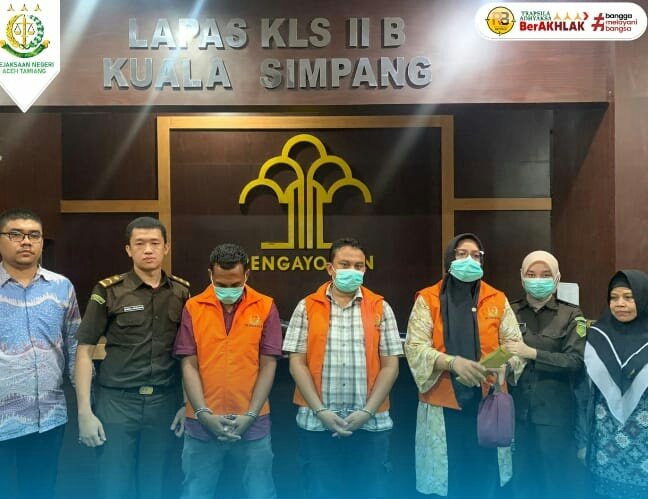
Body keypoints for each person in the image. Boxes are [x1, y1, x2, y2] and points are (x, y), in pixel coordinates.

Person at [75, 216, 190, 499]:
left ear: (166, 247)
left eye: (155, 243)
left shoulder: (181, 292)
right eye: (140, 243)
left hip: (164, 404)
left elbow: (188, 354)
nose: (148, 250)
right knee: (113, 487)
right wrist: (84, 412)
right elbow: (84, 351)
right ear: (128, 249)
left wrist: (186, 404)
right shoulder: (108, 291)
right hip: (117, 404)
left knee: (157, 487)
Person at [404, 233, 524, 498]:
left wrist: (504, 366)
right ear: (450, 259)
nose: (469, 259)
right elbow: (414, 347)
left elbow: (515, 344)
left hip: (489, 403)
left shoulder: (496, 298)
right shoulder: (428, 299)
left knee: (486, 480)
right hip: (443, 403)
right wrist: (452, 362)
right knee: (448, 481)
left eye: (475, 255)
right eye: (461, 254)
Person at [283, 237, 402, 498]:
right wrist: (321, 411)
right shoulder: (307, 306)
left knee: (371, 492)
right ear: (330, 268)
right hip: (317, 423)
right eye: (344, 264)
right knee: (320, 491)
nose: (352, 270)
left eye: (358, 266)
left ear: (365, 269)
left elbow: (390, 366)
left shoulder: (380, 307)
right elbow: (297, 363)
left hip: (371, 424)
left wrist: (367, 412)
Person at [173, 243, 281, 499]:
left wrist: (251, 414)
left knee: (261, 492)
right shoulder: (193, 307)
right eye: (221, 284)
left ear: (247, 275)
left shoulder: (265, 306)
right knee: (195, 492)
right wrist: (203, 413)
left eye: (235, 284)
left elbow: (268, 364)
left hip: (253, 422)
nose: (229, 290)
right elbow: (189, 363)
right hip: (201, 422)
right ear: (210, 275)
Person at [0, 208, 80, 499]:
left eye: (34, 235)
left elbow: (74, 344)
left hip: (48, 416)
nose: (26, 241)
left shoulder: (61, 287)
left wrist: (86, 402)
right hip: (2, 415)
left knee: (40, 491)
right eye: (15, 234)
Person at [505, 250, 586, 499]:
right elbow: (499, 351)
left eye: (545, 274)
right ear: (522, 277)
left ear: (557, 278)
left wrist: (532, 353)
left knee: (555, 481)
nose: (537, 280)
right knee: (519, 480)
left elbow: (575, 361)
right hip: (516, 412)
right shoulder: (509, 310)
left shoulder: (572, 315)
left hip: (555, 415)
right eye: (531, 274)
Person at [583, 269, 648, 499]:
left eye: (629, 297)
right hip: (605, 439)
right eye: (614, 297)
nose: (620, 304)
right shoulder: (597, 335)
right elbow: (585, 390)